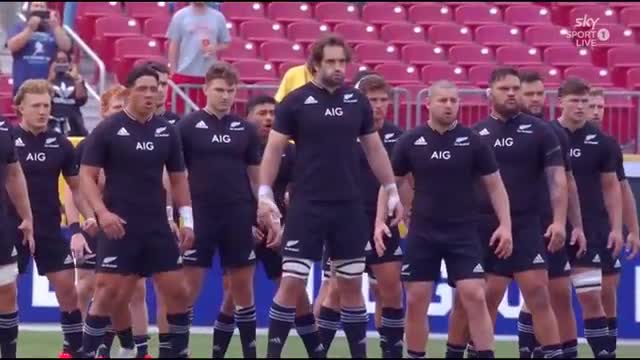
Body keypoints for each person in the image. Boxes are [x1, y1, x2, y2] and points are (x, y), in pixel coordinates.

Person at [257, 34, 403, 359]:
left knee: (350, 286)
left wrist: (392, 189)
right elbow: (274, 149)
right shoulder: (294, 102)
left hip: (349, 208)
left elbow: (375, 149)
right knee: (292, 282)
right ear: (315, 65)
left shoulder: (357, 101)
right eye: (331, 62)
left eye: (342, 62)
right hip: (307, 205)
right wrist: (265, 193)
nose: (338, 68)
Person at [377, 80, 511, 359]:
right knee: (416, 300)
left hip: (463, 232)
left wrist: (505, 225)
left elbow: (496, 186)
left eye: (454, 100)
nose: (449, 105)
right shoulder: (411, 140)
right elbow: (390, 184)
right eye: (443, 100)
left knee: (475, 295)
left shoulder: (474, 141)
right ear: (428, 103)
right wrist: (380, 221)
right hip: (422, 232)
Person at [447, 67, 567, 359]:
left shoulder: (541, 131)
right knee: (476, 301)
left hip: (527, 225)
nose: (512, 93)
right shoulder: (475, 134)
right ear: (490, 93)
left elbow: (558, 179)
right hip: (483, 226)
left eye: (516, 88)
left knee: (539, 294)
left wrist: (560, 222)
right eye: (505, 89)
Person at [79, 64, 194, 359]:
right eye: (142, 88)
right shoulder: (108, 129)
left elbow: (179, 179)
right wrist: (102, 214)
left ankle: (175, 354)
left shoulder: (167, 131)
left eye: (154, 89)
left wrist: (188, 220)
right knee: (107, 293)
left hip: (156, 225)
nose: (149, 94)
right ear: (128, 91)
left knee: (178, 291)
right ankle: (90, 352)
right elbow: (85, 177)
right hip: (119, 224)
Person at [316, 73, 407, 358]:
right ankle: (317, 350)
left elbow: (408, 181)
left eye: (383, 100)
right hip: (344, 220)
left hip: (387, 223)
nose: (378, 106)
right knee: (335, 290)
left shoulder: (398, 137)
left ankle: (390, 351)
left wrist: (406, 214)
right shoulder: (341, 134)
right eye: (372, 100)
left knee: (390, 289)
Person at [177, 62, 262, 358]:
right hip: (200, 216)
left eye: (230, 90)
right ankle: (179, 350)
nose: (225, 96)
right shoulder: (187, 126)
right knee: (188, 290)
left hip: (237, 215)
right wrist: (181, 215)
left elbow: (256, 175)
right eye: (219, 90)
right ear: (205, 90)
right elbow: (176, 174)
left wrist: (265, 207)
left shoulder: (245, 129)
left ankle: (249, 352)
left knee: (242, 289)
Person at [9, 79, 95, 358]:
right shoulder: (8, 139)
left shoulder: (60, 143)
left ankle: (73, 351)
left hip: (48, 229)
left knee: (68, 292)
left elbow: (76, 189)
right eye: (36, 105)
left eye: (47, 105)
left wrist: (83, 223)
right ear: (20, 107)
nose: (43, 111)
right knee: (6, 295)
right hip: (10, 228)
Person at [515, 71, 587, 359]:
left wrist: (575, 225)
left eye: (539, 94)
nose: (535, 99)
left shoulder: (552, 133)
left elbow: (567, 181)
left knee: (557, 295)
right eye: (529, 93)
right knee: (485, 296)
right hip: (502, 228)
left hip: (547, 227)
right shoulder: (488, 134)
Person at [556, 79, 625, 358]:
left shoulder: (603, 143)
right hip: (552, 229)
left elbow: (613, 188)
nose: (581, 107)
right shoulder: (546, 135)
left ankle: (605, 354)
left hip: (593, 230)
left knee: (592, 297)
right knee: (545, 299)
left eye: (585, 101)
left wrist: (618, 228)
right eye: (575, 100)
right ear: (560, 101)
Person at [63, 85, 132, 358]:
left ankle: (113, 345)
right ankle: (76, 345)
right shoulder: (88, 145)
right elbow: (73, 190)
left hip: (125, 226)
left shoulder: (134, 143)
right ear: (103, 111)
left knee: (118, 291)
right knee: (87, 286)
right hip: (94, 225)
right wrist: (78, 226)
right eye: (116, 107)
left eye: (124, 108)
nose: (121, 113)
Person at [587, 88, 640, 358]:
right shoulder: (555, 137)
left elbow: (622, 189)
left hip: (603, 229)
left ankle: (608, 352)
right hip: (567, 228)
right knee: (547, 293)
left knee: (608, 291)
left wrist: (632, 229)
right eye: (591, 105)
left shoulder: (608, 145)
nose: (596, 111)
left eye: (600, 106)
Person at [0, 109, 34, 360]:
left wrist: (27, 217)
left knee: (6, 290)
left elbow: (13, 173)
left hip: (1, 222)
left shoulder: (3, 126)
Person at [166, 1, 231, 113]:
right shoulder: (180, 16)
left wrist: (214, 47)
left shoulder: (217, 17)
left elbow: (226, 42)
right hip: (184, 72)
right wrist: (173, 70)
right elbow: (174, 44)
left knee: (206, 113)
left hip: (208, 74)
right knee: (180, 112)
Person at [7, 1, 71, 94]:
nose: (39, 8)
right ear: (29, 10)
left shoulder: (53, 29)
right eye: (36, 6)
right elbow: (12, 46)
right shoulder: (19, 27)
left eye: (42, 6)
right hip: (23, 85)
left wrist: (56, 27)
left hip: (47, 85)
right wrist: (30, 29)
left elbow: (66, 46)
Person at [47, 49, 88, 136]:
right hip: (53, 120)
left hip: (73, 121)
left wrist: (76, 79)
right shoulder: (47, 81)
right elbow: (46, 99)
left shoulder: (76, 80)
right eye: (58, 61)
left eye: (64, 61)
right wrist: (50, 79)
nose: (61, 64)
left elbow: (81, 100)